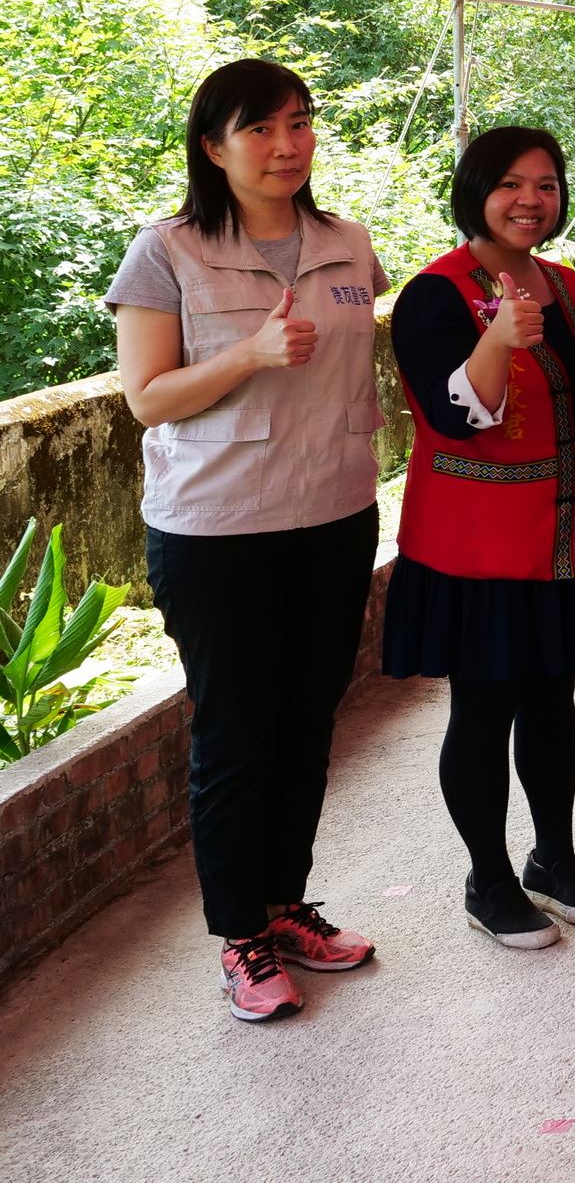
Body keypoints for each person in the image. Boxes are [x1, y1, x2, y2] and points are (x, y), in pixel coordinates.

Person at [109, 59, 387, 1023]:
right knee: (235, 734)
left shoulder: (348, 244)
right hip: (218, 530)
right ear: (213, 146)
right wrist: (249, 355)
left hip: (335, 515)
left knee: (307, 723)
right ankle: (240, 937)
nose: (286, 145)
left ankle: (283, 906)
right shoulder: (168, 251)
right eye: (260, 128)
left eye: (299, 123)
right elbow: (147, 399)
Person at [385, 127, 575, 949]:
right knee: (484, 709)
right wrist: (495, 338)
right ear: (476, 192)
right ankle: (487, 879)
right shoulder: (435, 294)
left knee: (554, 699)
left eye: (546, 185)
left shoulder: (571, 287)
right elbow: (455, 416)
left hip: (565, 533)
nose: (531, 200)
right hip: (475, 545)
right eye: (511, 184)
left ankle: (553, 858)